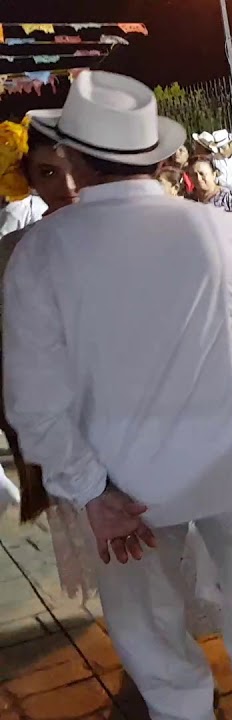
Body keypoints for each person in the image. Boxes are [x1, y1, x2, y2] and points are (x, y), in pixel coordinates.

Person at [6, 70, 232, 719]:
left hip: (126, 482)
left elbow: (33, 402)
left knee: (152, 630)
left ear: (74, 159)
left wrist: (90, 492)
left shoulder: (41, 253)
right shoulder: (217, 230)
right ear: (162, 158)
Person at [0, 119, 77, 522]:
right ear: (26, 180)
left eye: (72, 166)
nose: (66, 185)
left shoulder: (136, 231)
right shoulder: (16, 251)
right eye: (47, 173)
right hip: (66, 429)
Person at [193, 129, 232, 207]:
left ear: (231, 144)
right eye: (218, 148)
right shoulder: (214, 160)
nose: (221, 151)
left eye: (223, 147)